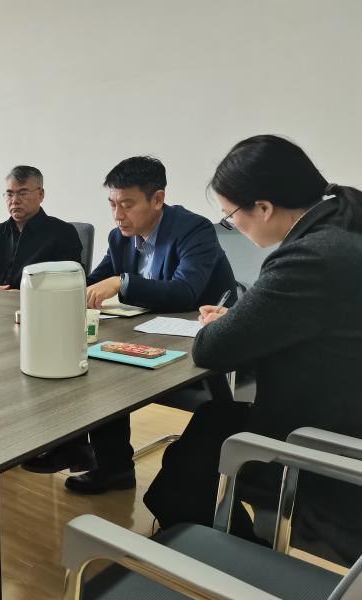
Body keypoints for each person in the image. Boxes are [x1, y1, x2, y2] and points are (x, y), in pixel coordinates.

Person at [144, 135, 362, 566]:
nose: (232, 227)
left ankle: (227, 566)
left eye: (230, 217)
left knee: (184, 474)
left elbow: (211, 349)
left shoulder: (310, 257)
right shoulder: (345, 226)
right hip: (341, 416)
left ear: (262, 207)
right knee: (211, 421)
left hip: (323, 447)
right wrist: (245, 318)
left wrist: (221, 324)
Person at [23, 156, 236, 496]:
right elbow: (95, 282)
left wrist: (122, 282)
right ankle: (79, 448)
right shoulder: (119, 237)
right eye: (112, 204)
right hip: (147, 331)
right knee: (83, 352)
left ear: (157, 199)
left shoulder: (193, 230)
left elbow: (185, 292)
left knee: (104, 369)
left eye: (127, 204)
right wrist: (55, 297)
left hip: (195, 338)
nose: (117, 215)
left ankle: (109, 464)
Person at [0, 165, 82, 289]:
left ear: (41, 194)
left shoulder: (63, 233)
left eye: (23, 193)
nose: (15, 200)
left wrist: (21, 294)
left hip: (36, 301)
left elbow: (70, 285)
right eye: (9, 194)